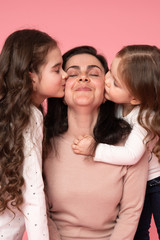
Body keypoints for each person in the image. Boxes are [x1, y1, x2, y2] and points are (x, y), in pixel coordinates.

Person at [44, 46, 148, 240]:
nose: (83, 78)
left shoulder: (131, 142)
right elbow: (40, 212)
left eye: (94, 73)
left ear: (107, 90)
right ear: (61, 91)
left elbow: (130, 213)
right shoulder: (41, 141)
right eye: (73, 74)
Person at [72, 45, 160, 240]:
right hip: (139, 182)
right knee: (137, 231)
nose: (107, 81)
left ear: (136, 98)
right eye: (110, 70)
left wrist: (94, 149)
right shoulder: (119, 105)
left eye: (116, 84)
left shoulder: (143, 118)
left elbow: (131, 155)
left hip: (155, 181)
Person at [0, 29, 67, 240]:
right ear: (32, 77)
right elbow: (33, 192)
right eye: (56, 69)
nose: (65, 75)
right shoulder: (30, 117)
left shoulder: (9, 112)